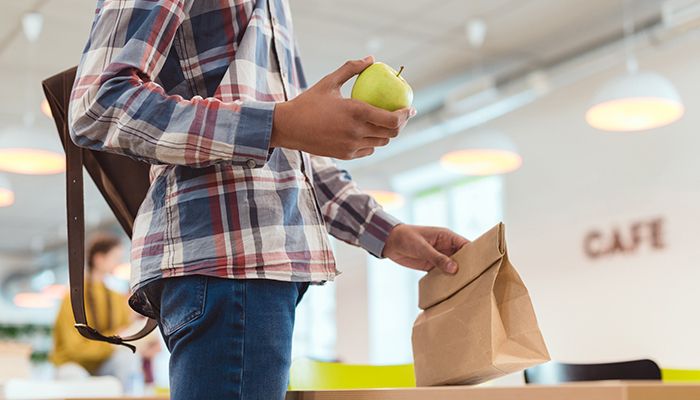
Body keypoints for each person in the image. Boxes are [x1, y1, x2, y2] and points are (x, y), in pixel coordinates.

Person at [68, 1, 470, 399]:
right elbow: (98, 103)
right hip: (229, 261)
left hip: (254, 270)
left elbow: (290, 154)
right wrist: (276, 123)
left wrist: (388, 232)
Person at [50, 235, 152, 393]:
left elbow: (123, 333)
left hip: (103, 363)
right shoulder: (72, 297)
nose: (118, 263)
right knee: (72, 375)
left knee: (126, 359)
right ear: (99, 259)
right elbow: (73, 348)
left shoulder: (116, 297)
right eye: (115, 258)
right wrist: (111, 344)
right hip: (73, 364)